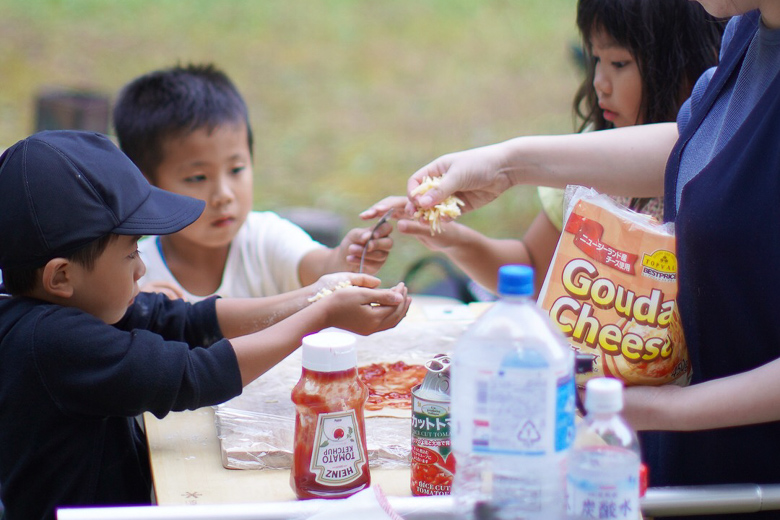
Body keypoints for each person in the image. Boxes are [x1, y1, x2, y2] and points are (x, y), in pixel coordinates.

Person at [404, 2, 780, 518]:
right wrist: (507, 164)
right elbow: (692, 145)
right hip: (698, 470)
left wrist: (672, 408)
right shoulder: (749, 32)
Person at [0, 130, 410, 520]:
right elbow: (197, 375)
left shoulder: (57, 306)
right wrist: (322, 316)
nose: (142, 268)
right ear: (61, 277)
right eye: (129, 255)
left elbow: (186, 321)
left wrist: (314, 295)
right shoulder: (52, 343)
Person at [362, 0, 723, 297]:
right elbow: (534, 269)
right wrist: (452, 240)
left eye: (618, 63)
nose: (599, 82)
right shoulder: (584, 171)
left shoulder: (718, 176)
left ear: (688, 66)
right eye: (595, 60)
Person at [112, 63, 394, 302]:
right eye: (197, 177)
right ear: (147, 183)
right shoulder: (136, 277)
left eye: (236, 170)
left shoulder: (265, 239)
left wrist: (346, 259)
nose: (223, 195)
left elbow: (322, 269)